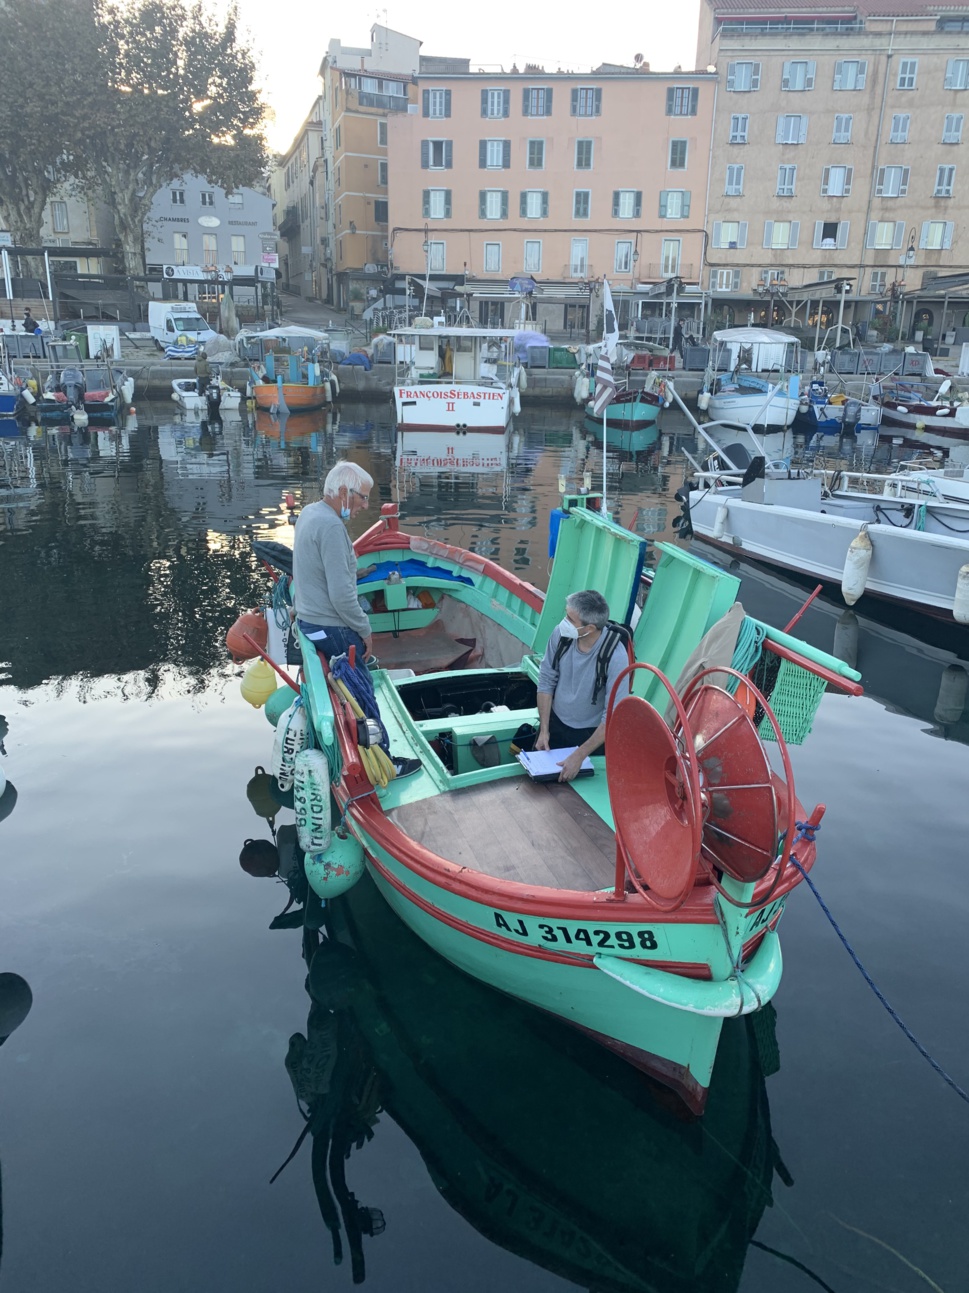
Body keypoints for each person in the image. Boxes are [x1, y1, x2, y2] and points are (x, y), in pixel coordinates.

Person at [292, 460, 420, 778]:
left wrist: (353, 570)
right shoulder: (333, 527)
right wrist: (365, 630)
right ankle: (385, 762)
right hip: (332, 627)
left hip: (311, 622)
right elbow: (341, 597)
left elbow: (318, 571)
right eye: (362, 497)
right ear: (345, 492)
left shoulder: (310, 513)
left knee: (357, 689)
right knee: (363, 693)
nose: (365, 505)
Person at [535, 590, 631, 782]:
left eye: (570, 619)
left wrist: (580, 755)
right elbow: (546, 679)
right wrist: (544, 730)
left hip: (591, 736)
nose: (564, 622)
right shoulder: (560, 635)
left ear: (590, 628)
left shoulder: (617, 656)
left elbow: (612, 715)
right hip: (556, 723)